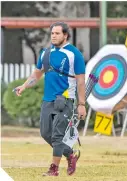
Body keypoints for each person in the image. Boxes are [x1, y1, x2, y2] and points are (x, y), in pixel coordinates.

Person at [14, 22, 86, 176]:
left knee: (57, 135)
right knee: (46, 133)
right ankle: (70, 154)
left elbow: (80, 81)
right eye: (52, 33)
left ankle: (54, 169)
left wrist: (81, 104)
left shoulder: (74, 54)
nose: (53, 36)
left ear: (65, 35)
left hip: (65, 100)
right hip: (48, 100)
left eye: (57, 33)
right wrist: (24, 86)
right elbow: (37, 74)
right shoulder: (45, 53)